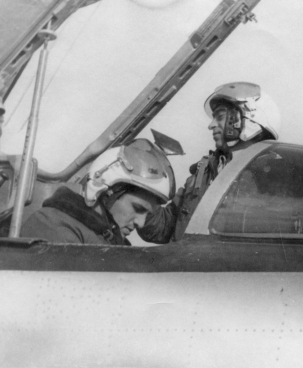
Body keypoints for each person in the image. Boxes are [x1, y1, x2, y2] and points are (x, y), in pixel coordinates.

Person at [138, 81, 281, 243]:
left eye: (220, 117)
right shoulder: (205, 172)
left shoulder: (274, 176)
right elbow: (164, 227)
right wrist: (141, 190)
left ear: (248, 119)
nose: (211, 125)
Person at [21, 139, 175, 245]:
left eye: (147, 215)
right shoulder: (53, 227)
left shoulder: (106, 236)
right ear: (107, 190)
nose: (140, 223)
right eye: (138, 208)